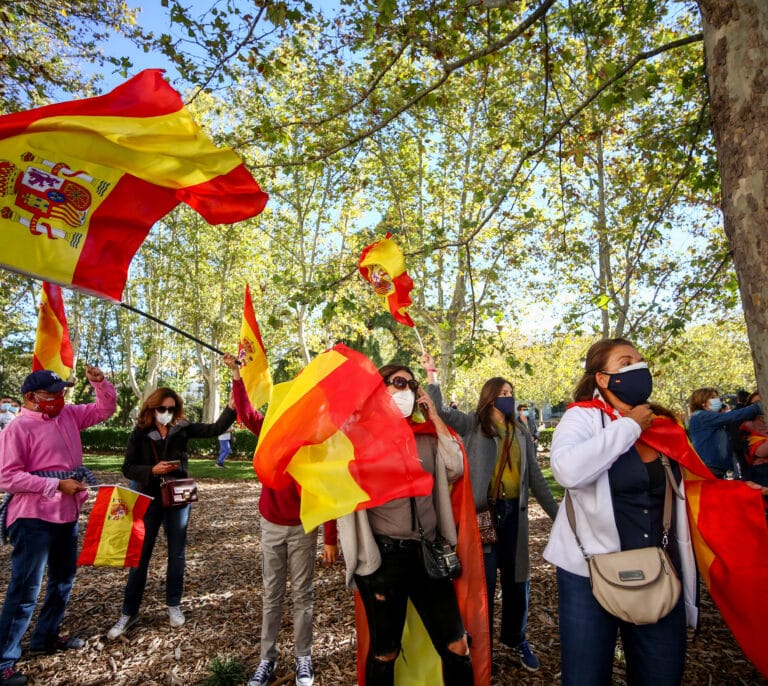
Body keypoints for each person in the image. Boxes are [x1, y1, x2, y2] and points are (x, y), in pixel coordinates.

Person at [543, 338, 697, 685]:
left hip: (659, 569)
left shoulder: (664, 425)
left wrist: (740, 495)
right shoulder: (582, 417)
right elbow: (567, 471)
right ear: (602, 378)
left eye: (641, 361)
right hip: (588, 573)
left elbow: (693, 486)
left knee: (660, 675)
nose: (638, 367)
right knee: (585, 677)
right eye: (626, 362)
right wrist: (629, 426)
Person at [338, 363, 473, 686]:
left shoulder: (425, 436)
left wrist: (434, 417)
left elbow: (455, 468)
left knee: (457, 645)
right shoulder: (358, 440)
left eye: (412, 385)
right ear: (378, 389)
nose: (407, 391)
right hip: (385, 560)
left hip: (428, 554)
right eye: (398, 383)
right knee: (385, 652)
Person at [422, 353, 558, 672]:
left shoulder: (520, 432)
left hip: (514, 518)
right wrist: (432, 375)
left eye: (511, 393)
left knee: (517, 581)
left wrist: (559, 515)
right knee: (483, 582)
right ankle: (481, 649)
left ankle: (515, 638)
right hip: (484, 516)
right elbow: (440, 411)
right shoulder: (473, 424)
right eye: (502, 393)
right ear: (489, 397)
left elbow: (535, 479)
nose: (508, 397)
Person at [221, 354, 337, 686]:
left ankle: (303, 657)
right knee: (272, 593)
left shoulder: (318, 438)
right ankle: (266, 658)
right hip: (272, 523)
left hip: (303, 526)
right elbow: (246, 413)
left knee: (303, 594)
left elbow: (327, 489)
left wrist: (330, 538)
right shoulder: (271, 427)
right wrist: (237, 374)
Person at [0, 367, 116, 686]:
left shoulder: (69, 415)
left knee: (63, 580)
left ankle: (46, 637)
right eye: (52, 394)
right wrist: (55, 485)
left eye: (62, 392)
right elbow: (6, 477)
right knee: (25, 589)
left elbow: (104, 409)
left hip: (66, 515)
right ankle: (4, 660)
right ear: (30, 397)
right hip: (32, 519)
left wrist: (99, 383)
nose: (59, 398)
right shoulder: (17, 428)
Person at [106, 384, 237, 640]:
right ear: (152, 408)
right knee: (141, 555)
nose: (166, 412)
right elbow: (128, 467)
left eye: (171, 408)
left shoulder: (182, 428)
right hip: (149, 496)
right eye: (162, 408)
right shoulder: (140, 432)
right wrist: (151, 471)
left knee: (177, 553)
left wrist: (231, 407)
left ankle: (173, 604)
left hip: (179, 495)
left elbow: (214, 429)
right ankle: (129, 611)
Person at [687, 387, 761, 478]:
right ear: (702, 402)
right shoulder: (701, 416)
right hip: (710, 465)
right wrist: (756, 407)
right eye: (713, 397)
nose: (717, 400)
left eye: (716, 397)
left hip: (712, 465)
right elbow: (730, 416)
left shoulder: (700, 416)